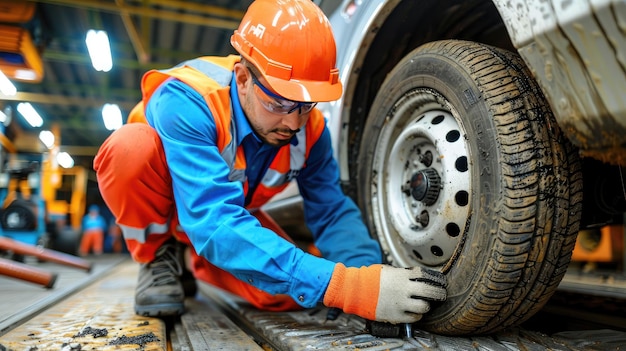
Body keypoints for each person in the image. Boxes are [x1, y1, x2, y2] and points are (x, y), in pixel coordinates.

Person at [94, 0, 446, 324]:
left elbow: (332, 211)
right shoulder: (188, 101)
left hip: (222, 217)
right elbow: (213, 219)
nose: (293, 124)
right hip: (183, 209)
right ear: (244, 79)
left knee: (282, 293)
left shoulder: (310, 132)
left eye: (305, 106)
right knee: (129, 148)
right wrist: (346, 287)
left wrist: (368, 278)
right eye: (279, 104)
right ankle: (157, 258)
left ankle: (194, 261)